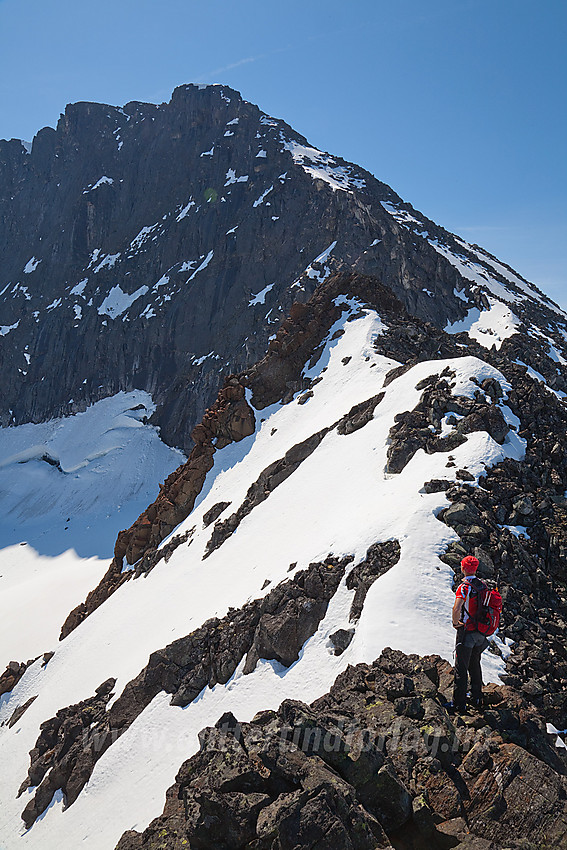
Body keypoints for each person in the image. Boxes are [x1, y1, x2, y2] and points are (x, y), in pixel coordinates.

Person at [448, 555, 489, 714]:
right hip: (480, 632)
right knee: (475, 664)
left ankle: (459, 704)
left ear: (463, 568)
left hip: (467, 632)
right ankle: (477, 697)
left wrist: (455, 623)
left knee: (461, 667)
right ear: (476, 568)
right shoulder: (483, 585)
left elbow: (457, 608)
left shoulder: (464, 587)